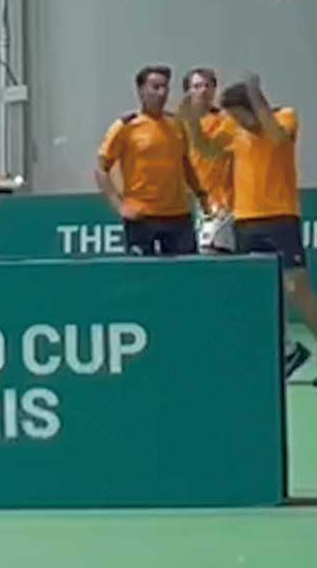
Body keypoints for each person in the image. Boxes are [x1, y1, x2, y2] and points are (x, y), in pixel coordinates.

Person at [183, 73, 316, 379]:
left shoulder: (285, 117)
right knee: (258, 294)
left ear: (252, 108)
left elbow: (276, 136)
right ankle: (281, 356)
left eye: (240, 116)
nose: (237, 123)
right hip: (246, 219)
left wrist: (256, 95)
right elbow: (208, 149)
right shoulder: (232, 127)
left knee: (297, 290)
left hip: (281, 217)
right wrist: (191, 121)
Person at [94, 65, 203, 256]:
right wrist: (120, 206)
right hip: (142, 216)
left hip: (177, 215)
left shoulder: (176, 124)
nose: (161, 93)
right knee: (143, 276)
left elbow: (185, 163)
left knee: (186, 275)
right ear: (141, 90)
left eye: (165, 88)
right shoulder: (126, 126)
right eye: (155, 87)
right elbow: (101, 169)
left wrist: (202, 195)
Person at [181, 67, 235, 254]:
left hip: (218, 205)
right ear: (188, 92)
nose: (203, 90)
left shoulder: (227, 121)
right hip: (183, 206)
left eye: (207, 86)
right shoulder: (176, 125)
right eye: (196, 86)